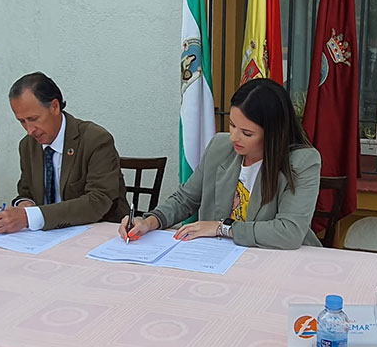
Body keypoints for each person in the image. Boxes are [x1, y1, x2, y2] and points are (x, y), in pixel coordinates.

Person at [120, 78, 322, 249]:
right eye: (232, 125)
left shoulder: (302, 162)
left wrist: (222, 228)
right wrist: (150, 221)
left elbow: (289, 231)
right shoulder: (220, 146)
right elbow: (185, 199)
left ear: (273, 134)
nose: (234, 137)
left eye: (247, 133)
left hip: (278, 261)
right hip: (218, 257)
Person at [0, 72, 129, 233]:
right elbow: (25, 191)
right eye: (22, 121)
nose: (29, 130)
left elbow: (98, 201)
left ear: (55, 107)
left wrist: (33, 216)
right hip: (45, 237)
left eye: (33, 118)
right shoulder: (28, 145)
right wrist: (24, 204)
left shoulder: (96, 140)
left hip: (98, 233)